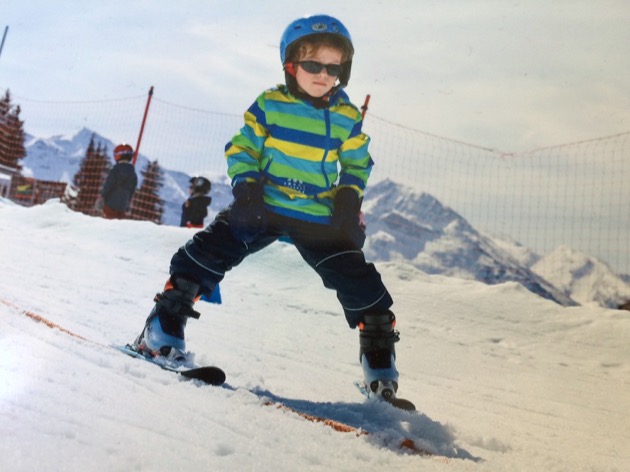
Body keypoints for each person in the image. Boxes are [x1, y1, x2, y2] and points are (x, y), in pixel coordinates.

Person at [132, 14, 402, 400]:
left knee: (361, 282)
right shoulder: (270, 105)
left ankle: (379, 362)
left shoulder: (346, 117)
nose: (323, 74)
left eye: (333, 67)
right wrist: (247, 192)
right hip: (263, 207)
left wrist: (347, 199)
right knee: (206, 253)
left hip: (317, 217)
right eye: (313, 65)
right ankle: (162, 328)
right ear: (291, 66)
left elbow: (358, 163)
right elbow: (242, 148)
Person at [98, 143, 138, 219]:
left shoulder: (115, 171)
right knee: (118, 226)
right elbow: (132, 191)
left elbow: (108, 185)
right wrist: (128, 203)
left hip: (110, 204)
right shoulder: (133, 174)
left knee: (107, 224)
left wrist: (101, 196)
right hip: (123, 205)